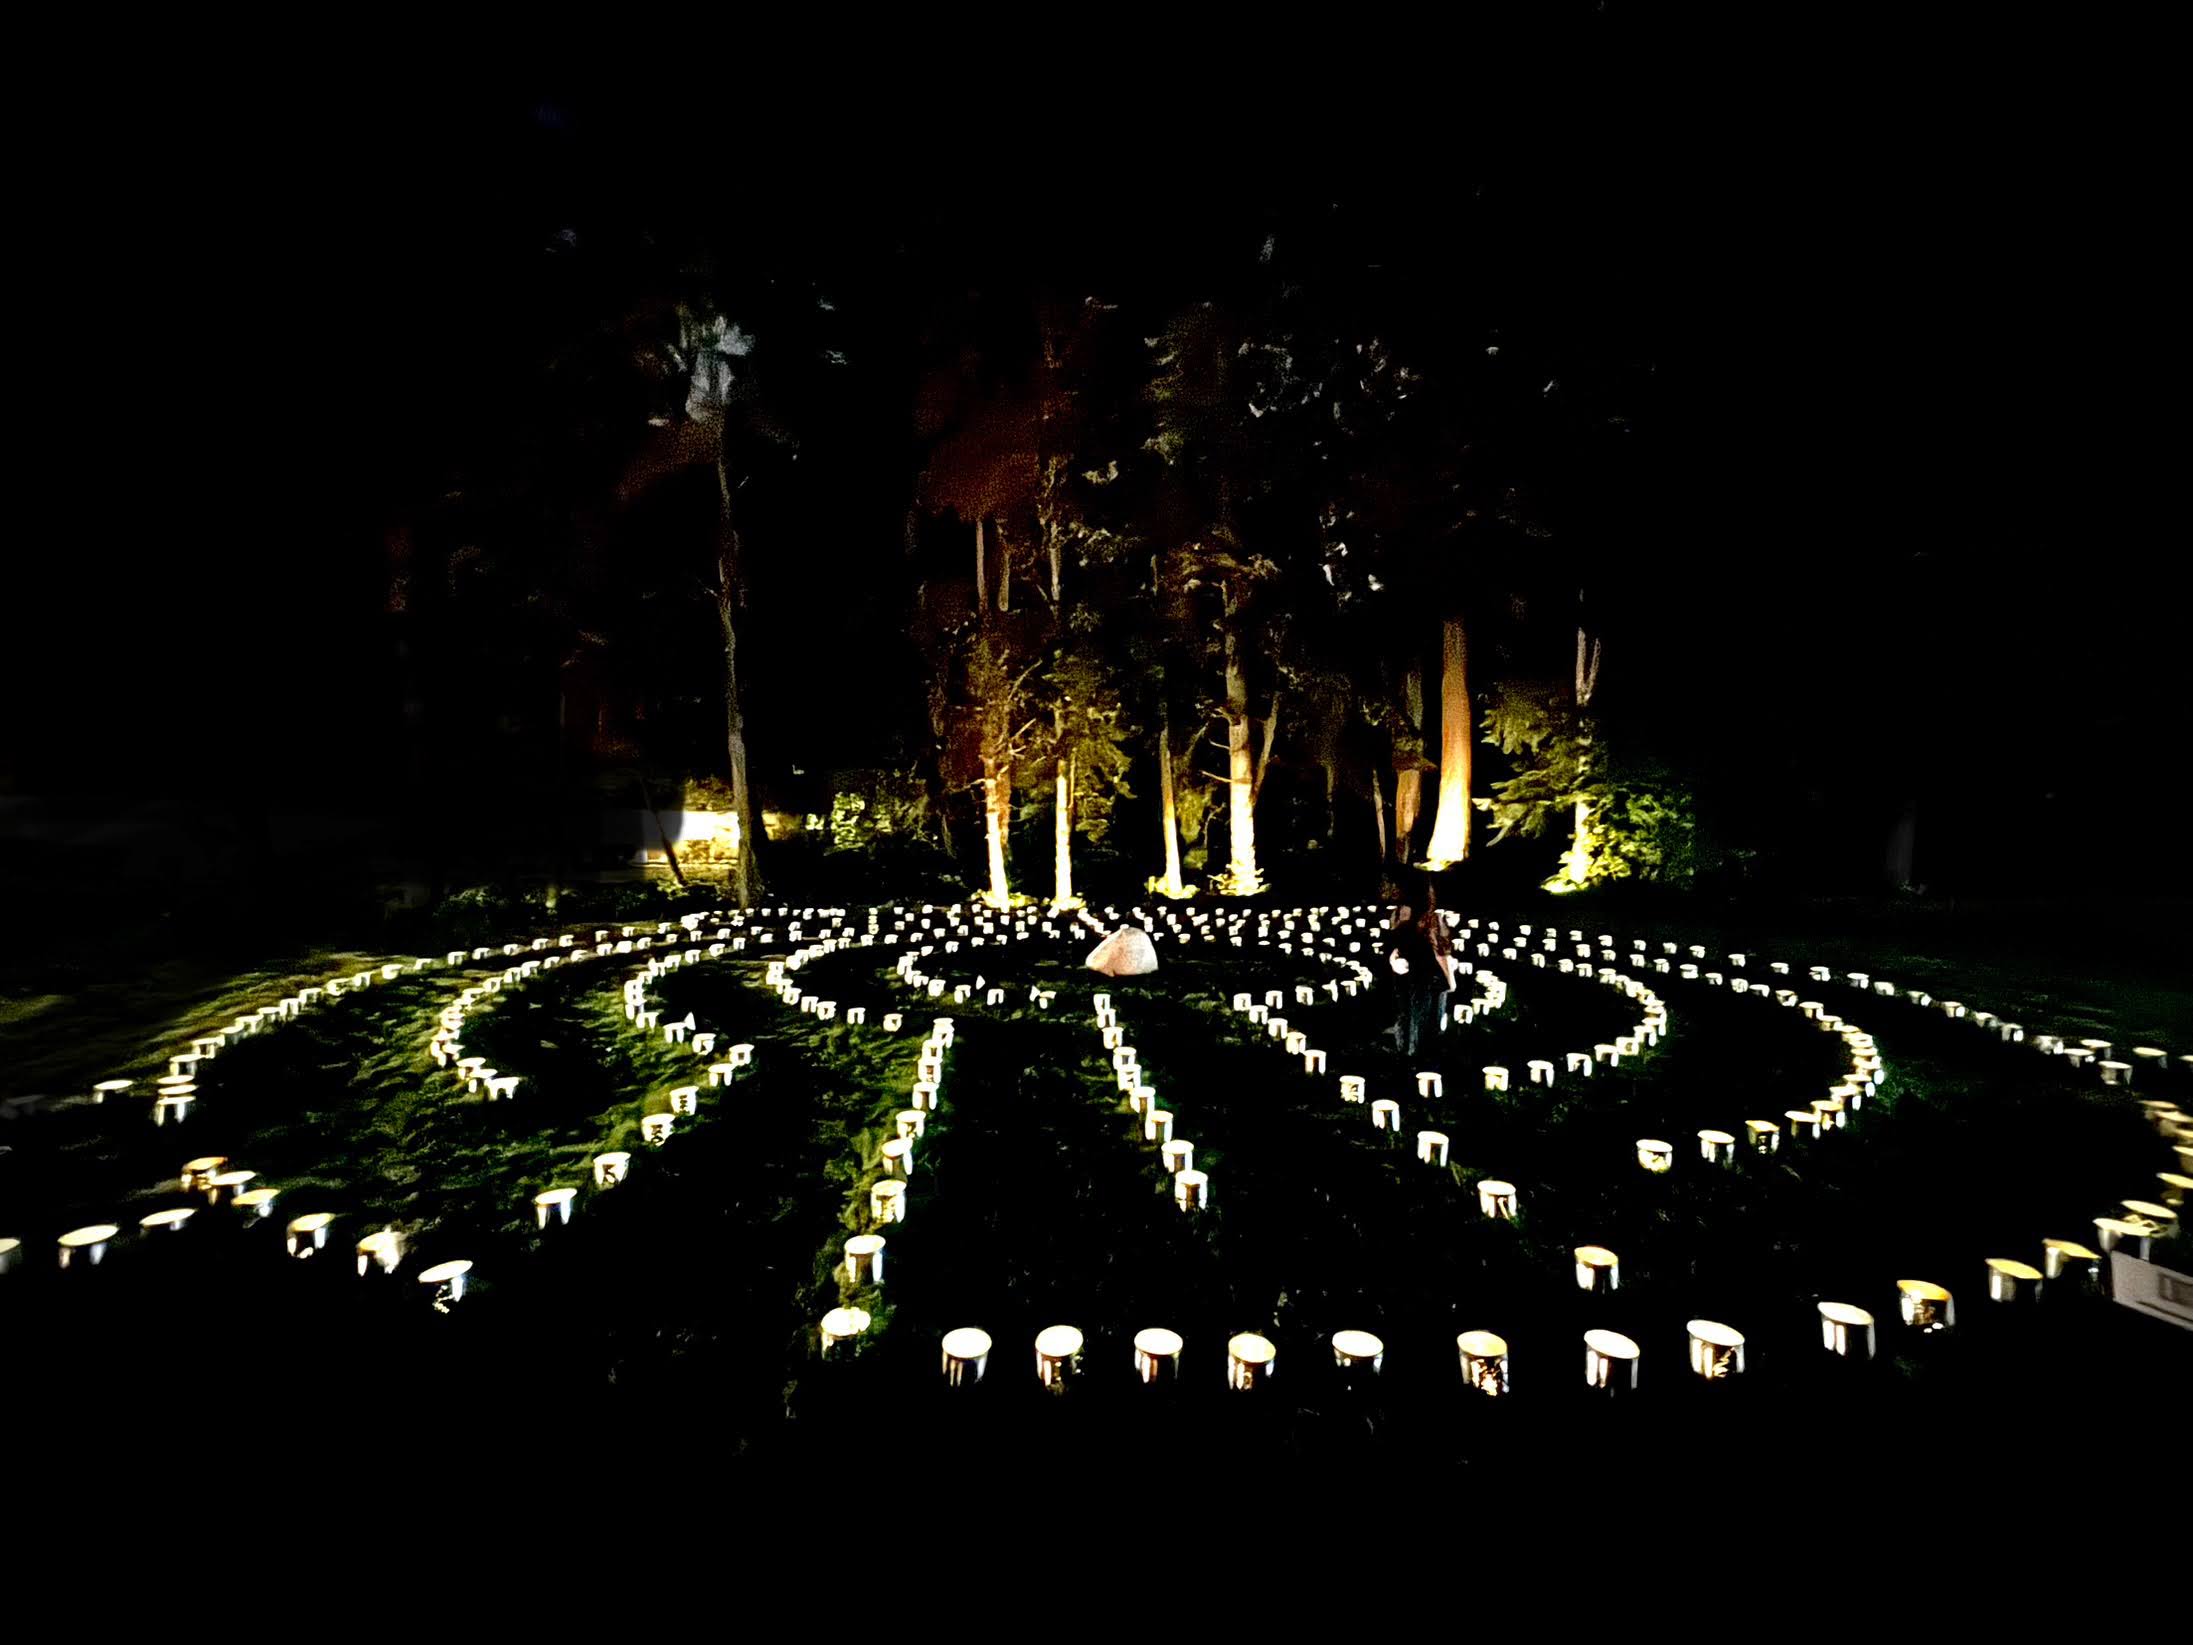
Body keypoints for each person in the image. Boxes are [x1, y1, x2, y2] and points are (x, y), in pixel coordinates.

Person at [1387, 881, 1455, 1055]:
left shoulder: (1398, 915)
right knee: (1425, 1020)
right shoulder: (1431, 919)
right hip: (1426, 977)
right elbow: (1440, 952)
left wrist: (1394, 960)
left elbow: (1394, 946)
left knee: (1406, 1016)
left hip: (1405, 976)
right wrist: (1450, 980)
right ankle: (1421, 1057)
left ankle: (1405, 1053)